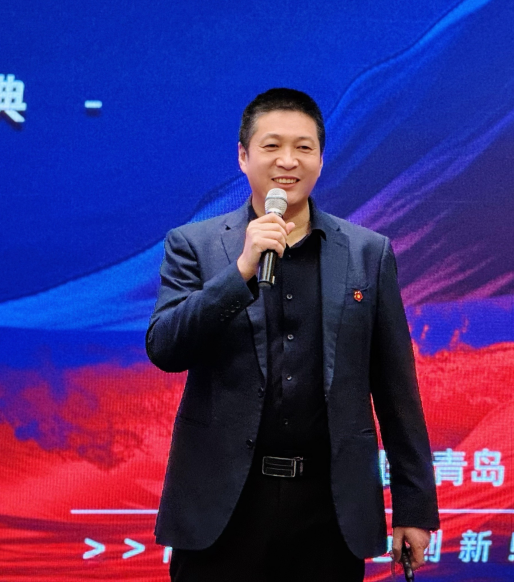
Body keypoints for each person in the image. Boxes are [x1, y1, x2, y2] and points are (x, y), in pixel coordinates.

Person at [146, 88, 439, 581]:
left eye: (304, 147)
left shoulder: (368, 253)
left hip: (328, 510)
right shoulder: (194, 245)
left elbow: (396, 390)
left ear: (321, 159)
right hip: (223, 506)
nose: (288, 161)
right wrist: (240, 271)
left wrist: (414, 507)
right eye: (272, 146)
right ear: (243, 156)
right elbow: (165, 348)